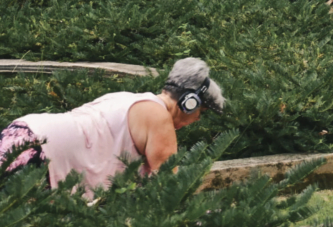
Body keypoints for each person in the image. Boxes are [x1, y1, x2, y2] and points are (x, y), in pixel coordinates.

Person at [0, 58, 225, 197]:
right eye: (200, 112)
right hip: (44, 154)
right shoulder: (159, 117)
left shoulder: (124, 97)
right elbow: (169, 189)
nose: (197, 119)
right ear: (189, 102)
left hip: (22, 129)